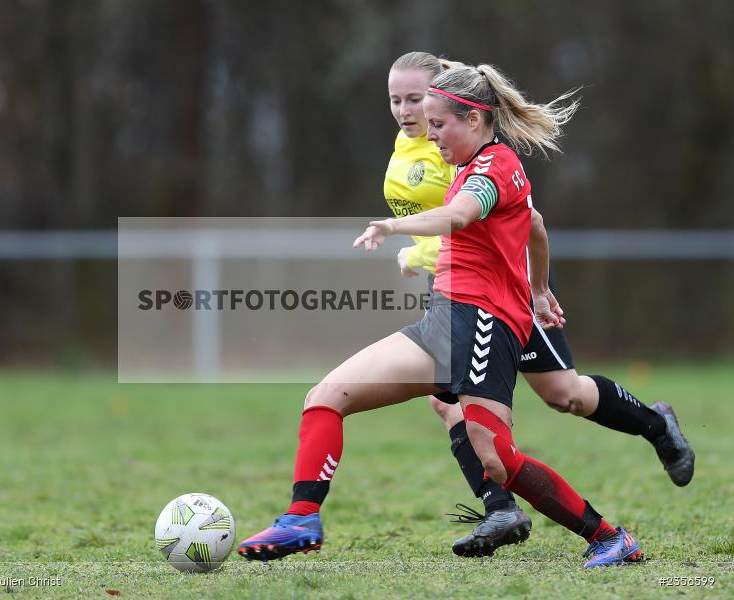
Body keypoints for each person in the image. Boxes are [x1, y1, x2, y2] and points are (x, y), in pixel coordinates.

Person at [238, 61, 645, 567]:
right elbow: (535, 225)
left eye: (438, 125)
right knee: (324, 397)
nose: (430, 137)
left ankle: (608, 537)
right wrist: (539, 288)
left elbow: (459, 216)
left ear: (473, 119)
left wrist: (391, 227)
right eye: (426, 125)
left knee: (498, 459)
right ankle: (300, 519)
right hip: (442, 320)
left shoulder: (495, 167)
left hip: (482, 325)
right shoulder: (468, 166)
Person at [384, 53, 694, 559]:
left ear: (450, 104)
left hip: (507, 296)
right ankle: (501, 506)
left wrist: (538, 288)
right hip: (460, 300)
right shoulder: (418, 150)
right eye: (395, 99)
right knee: (447, 401)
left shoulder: (471, 151)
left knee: (563, 394)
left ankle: (658, 426)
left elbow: (529, 223)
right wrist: (416, 254)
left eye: (415, 99)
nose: (404, 109)